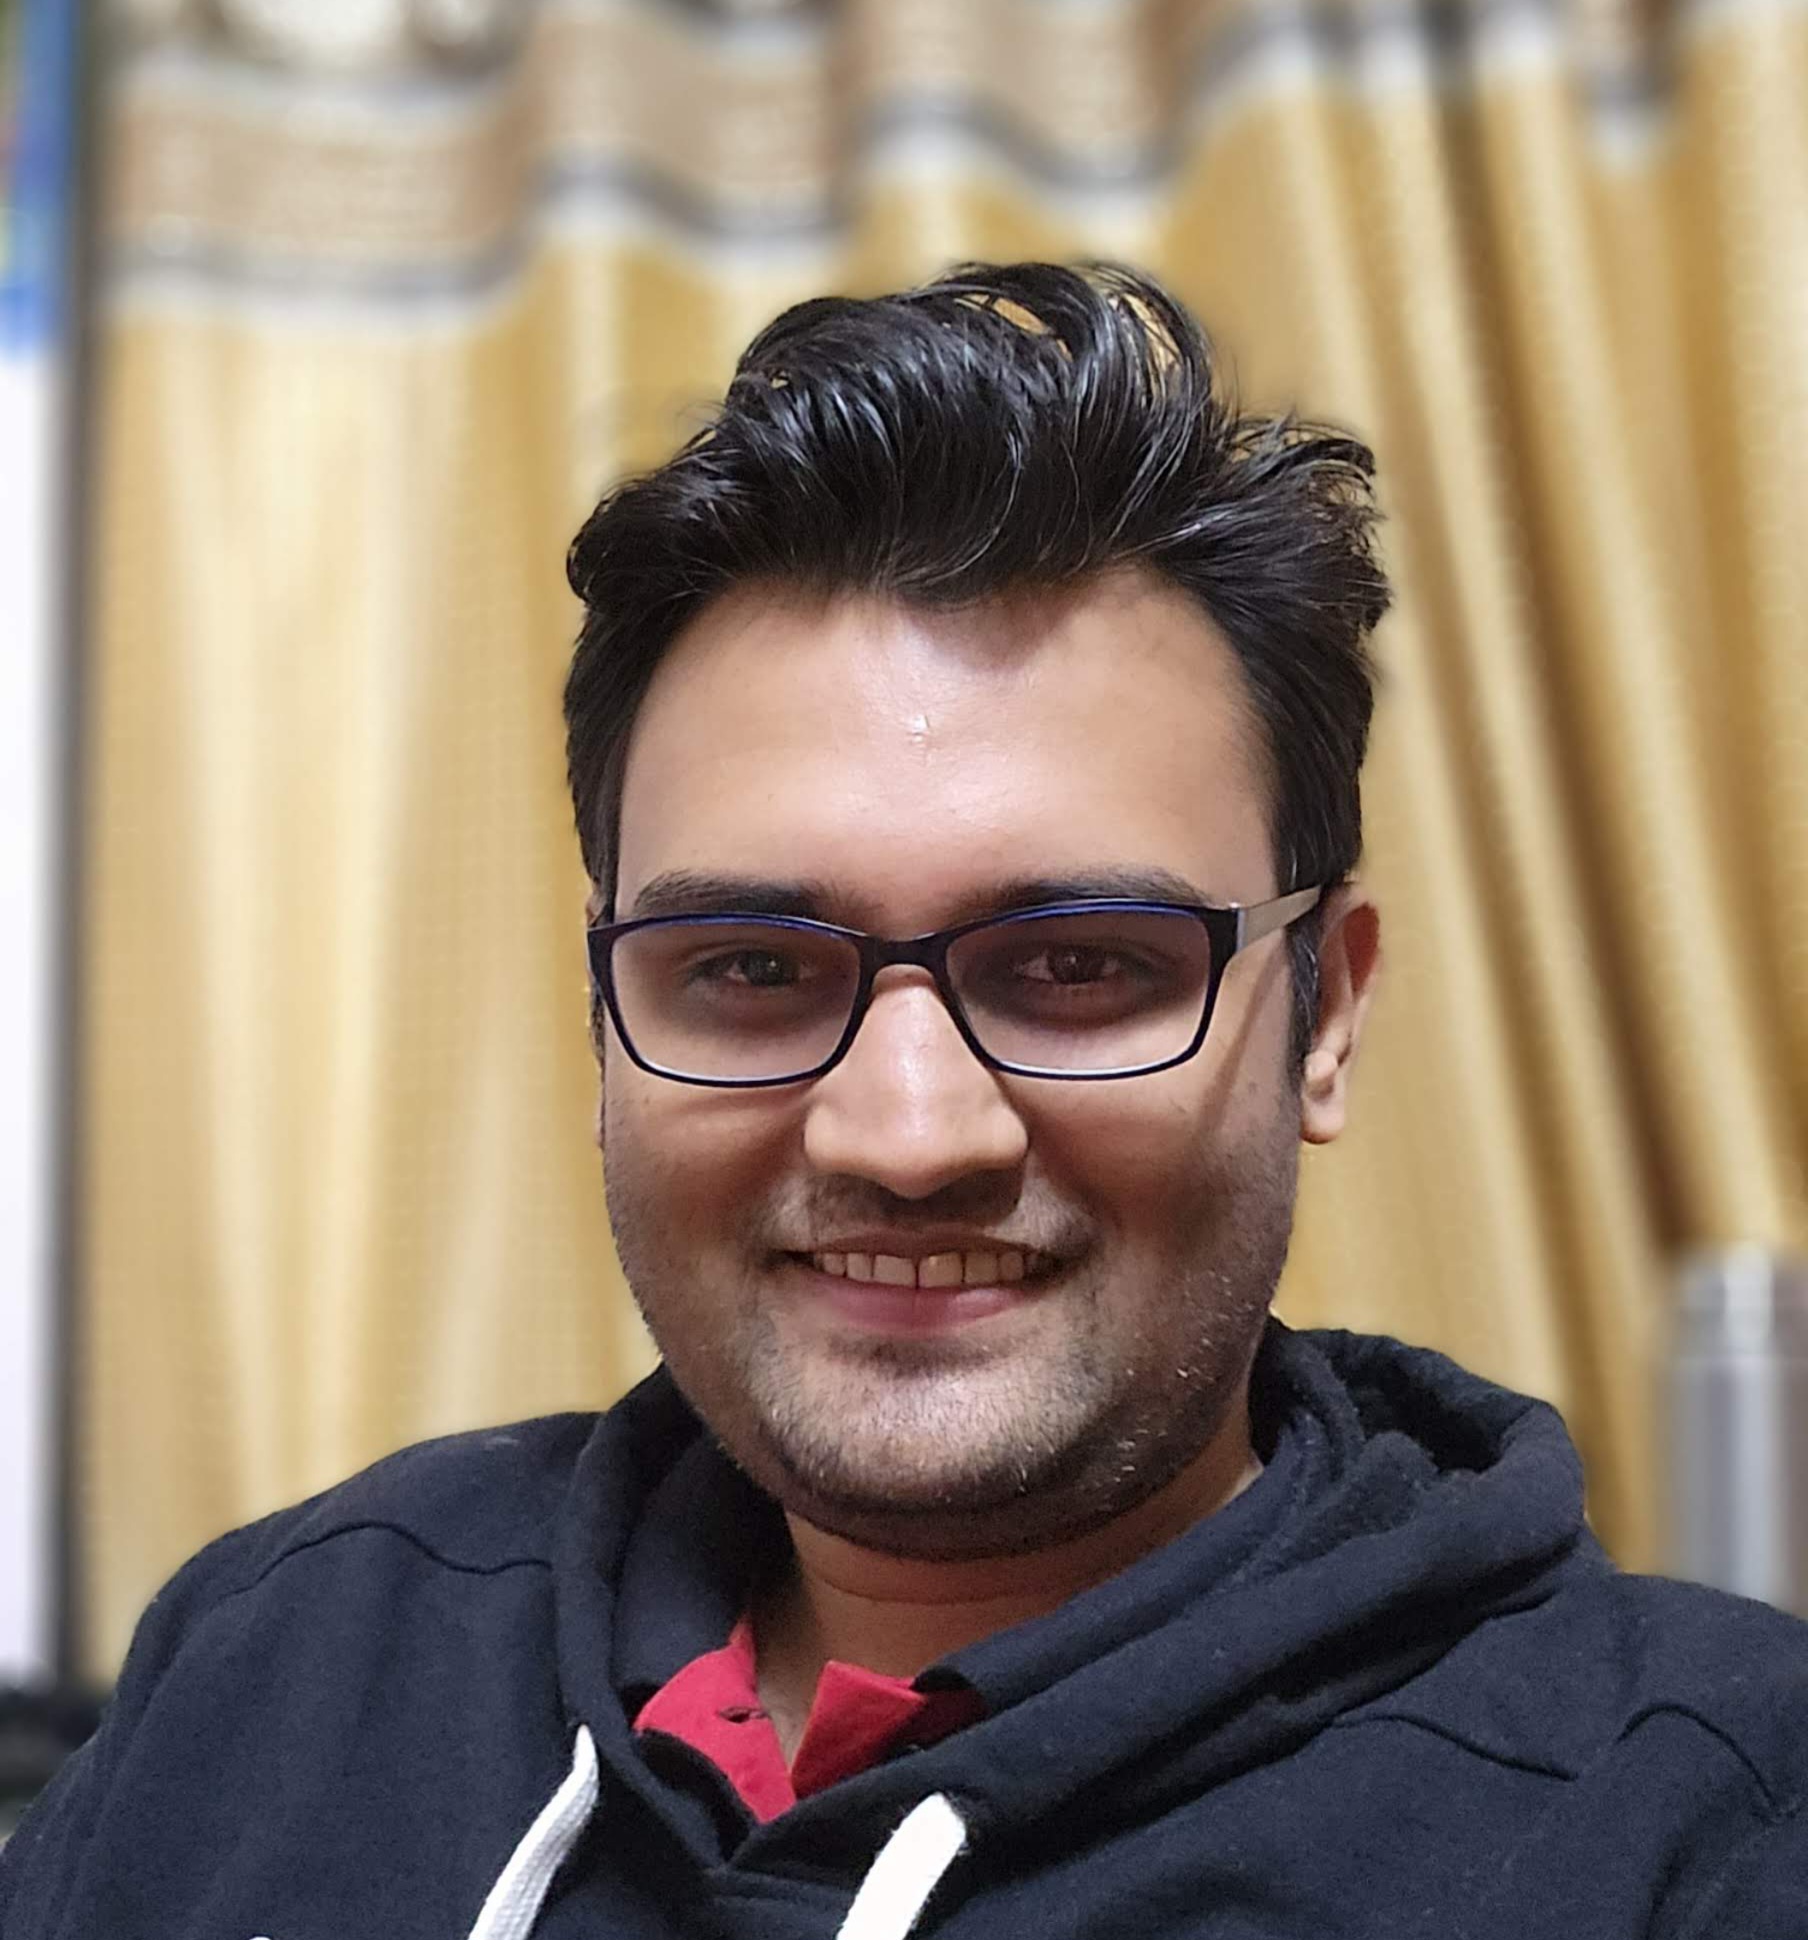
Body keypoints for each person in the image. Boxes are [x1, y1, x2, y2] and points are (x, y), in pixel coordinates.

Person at [4, 263, 1806, 1940]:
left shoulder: (1702, 1829)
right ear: (605, 1003)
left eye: (1081, 965)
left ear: (1322, 1013)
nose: (909, 1135)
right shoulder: (281, 1665)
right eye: (750, 967)